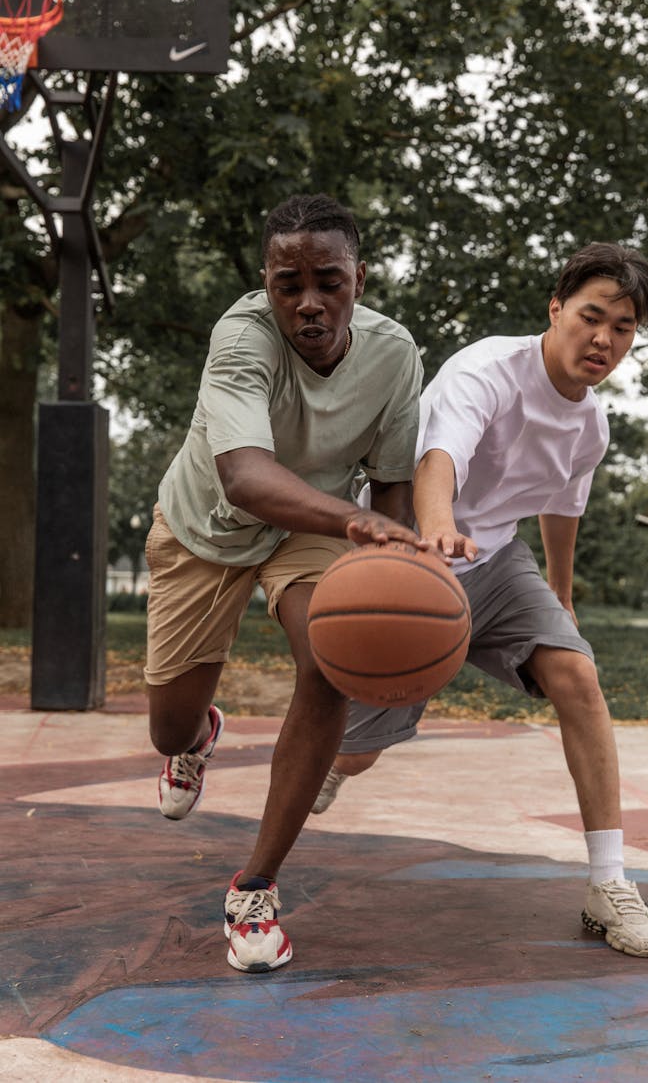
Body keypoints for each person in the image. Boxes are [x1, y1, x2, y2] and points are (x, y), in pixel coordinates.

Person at [313, 242, 648, 959]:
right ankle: (329, 765)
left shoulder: (592, 425)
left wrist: (561, 594)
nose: (603, 339)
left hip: (500, 561)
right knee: (357, 752)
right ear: (556, 309)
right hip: (412, 550)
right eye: (591, 316)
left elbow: (562, 508)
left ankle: (608, 881)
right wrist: (437, 536)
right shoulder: (488, 370)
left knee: (578, 676)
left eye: (624, 327)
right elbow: (438, 458)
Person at [144, 193, 426, 973]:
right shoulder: (240, 337)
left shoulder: (395, 354)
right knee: (166, 724)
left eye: (328, 281)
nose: (308, 301)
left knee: (329, 663)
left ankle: (256, 885)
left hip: (312, 529)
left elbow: (394, 481)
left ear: (359, 279)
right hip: (211, 526)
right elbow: (243, 476)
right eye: (288, 282)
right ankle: (195, 739)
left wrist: (394, 560)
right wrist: (359, 523)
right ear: (265, 283)